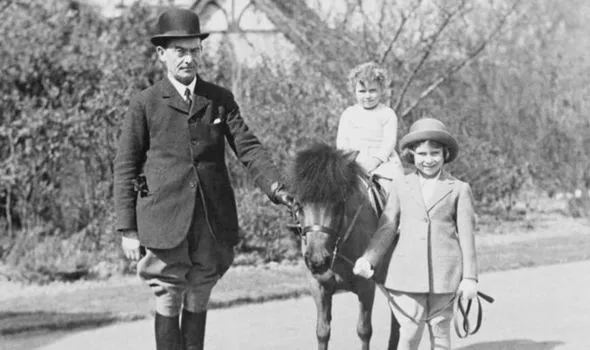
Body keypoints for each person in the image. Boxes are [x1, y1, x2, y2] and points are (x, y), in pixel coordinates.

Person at [113, 8, 293, 350]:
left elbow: (249, 148)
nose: (188, 59)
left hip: (211, 219)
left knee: (200, 289)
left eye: (194, 50)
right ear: (162, 54)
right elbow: (125, 165)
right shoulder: (145, 103)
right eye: (180, 51)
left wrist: (277, 188)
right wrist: (128, 230)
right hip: (164, 219)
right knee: (168, 292)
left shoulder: (219, 99)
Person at [352, 118, 478, 350]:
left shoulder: (459, 189)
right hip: (406, 274)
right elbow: (387, 226)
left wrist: (470, 277)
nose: (428, 160)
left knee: (440, 335)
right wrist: (370, 258)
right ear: (412, 155)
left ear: (445, 154)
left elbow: (467, 237)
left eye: (434, 153)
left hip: (445, 275)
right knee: (409, 333)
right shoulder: (401, 184)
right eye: (422, 154)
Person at [336, 61, 404, 196]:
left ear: (381, 90)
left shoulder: (387, 113)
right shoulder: (349, 114)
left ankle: (391, 215)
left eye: (372, 91)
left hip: (382, 163)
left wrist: (374, 162)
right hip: (353, 161)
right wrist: (350, 161)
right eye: (362, 91)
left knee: (392, 188)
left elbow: (388, 144)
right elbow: (342, 142)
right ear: (354, 92)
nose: (367, 96)